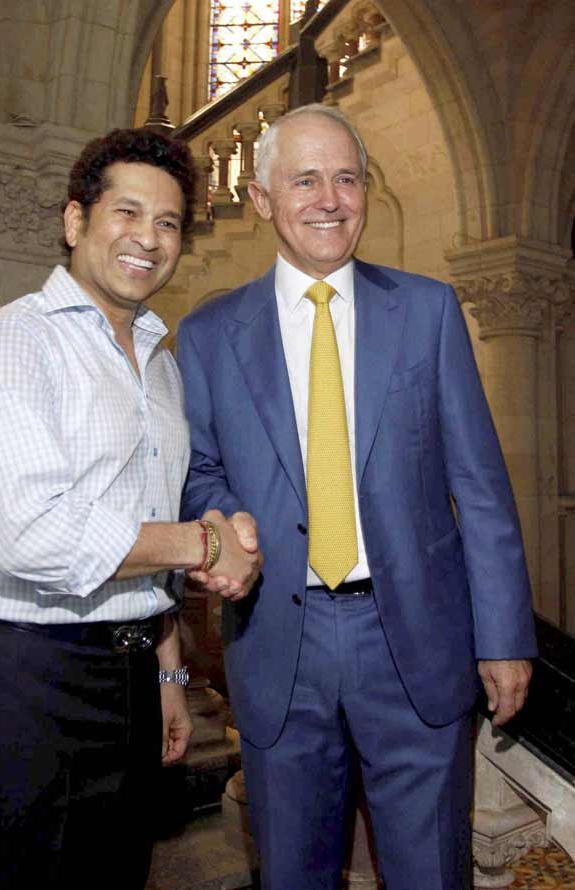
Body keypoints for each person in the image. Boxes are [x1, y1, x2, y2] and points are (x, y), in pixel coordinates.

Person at [176, 104, 537, 890]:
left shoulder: (428, 311)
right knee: (294, 873)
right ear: (264, 199)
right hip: (279, 639)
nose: (329, 198)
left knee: (431, 871)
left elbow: (478, 484)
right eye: (305, 179)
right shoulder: (208, 336)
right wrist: (219, 517)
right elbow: (198, 468)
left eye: (347, 178)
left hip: (414, 641)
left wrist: (505, 633)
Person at [0, 127, 261, 890]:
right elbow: (31, 536)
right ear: (76, 221)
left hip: (133, 670)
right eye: (127, 213)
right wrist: (205, 544)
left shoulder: (161, 366)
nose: (149, 238)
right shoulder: (10, 345)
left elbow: (144, 523)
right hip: (21, 675)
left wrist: (169, 672)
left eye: (169, 222)